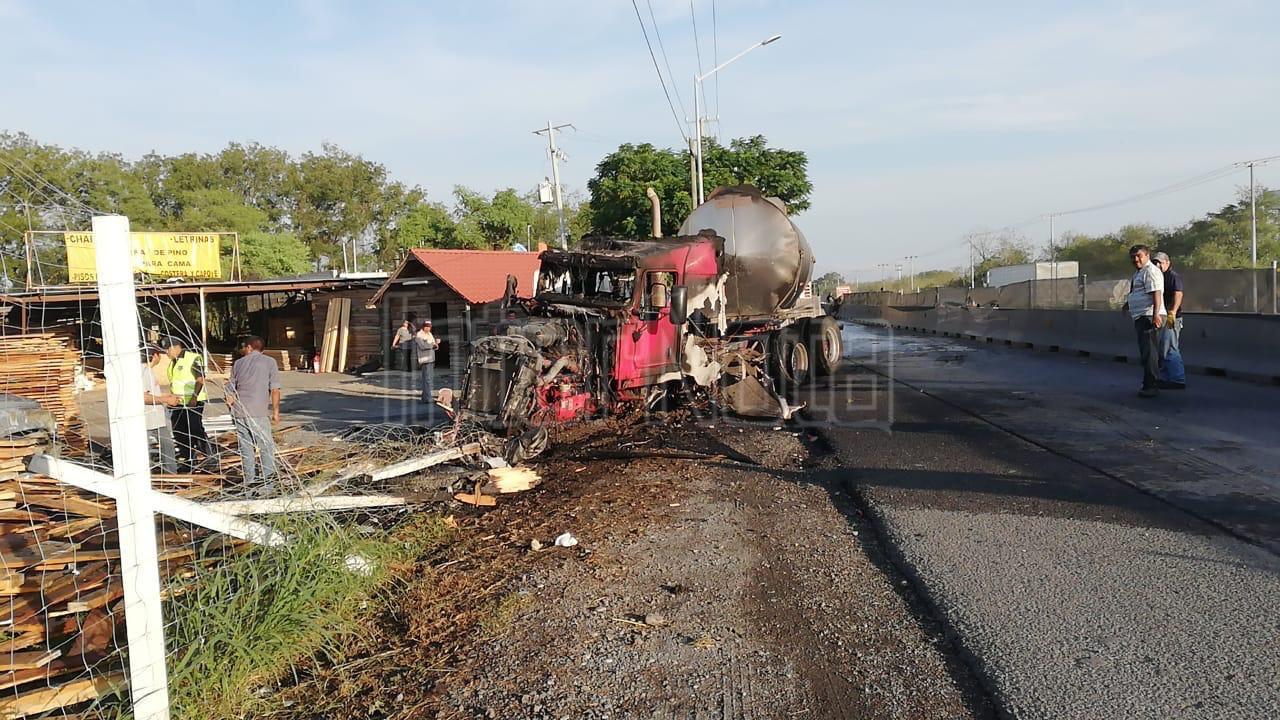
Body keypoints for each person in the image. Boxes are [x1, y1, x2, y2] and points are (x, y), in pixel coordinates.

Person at [225, 335, 282, 486]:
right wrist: (276, 412)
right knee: (266, 447)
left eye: (244, 347)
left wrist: (231, 407)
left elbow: (229, 392)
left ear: (249, 347)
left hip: (239, 411)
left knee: (246, 449)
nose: (243, 350)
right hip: (258, 412)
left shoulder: (238, 364)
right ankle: (268, 484)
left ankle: (250, 483)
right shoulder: (270, 362)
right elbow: (275, 389)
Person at [165, 337, 217, 471]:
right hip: (178, 403)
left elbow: (200, 379)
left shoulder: (193, 358)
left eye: (167, 349)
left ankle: (209, 456)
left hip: (193, 402)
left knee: (195, 430)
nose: (166, 352)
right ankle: (187, 460)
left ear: (176, 347)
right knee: (179, 432)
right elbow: (174, 383)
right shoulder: (173, 363)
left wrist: (194, 397)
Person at [1124, 245, 1166, 398]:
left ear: (1147, 255)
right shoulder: (1139, 273)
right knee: (1146, 352)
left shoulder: (1150, 271)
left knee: (1150, 353)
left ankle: (1151, 385)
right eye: (1133, 257)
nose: (1136, 259)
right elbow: (1138, 292)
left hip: (1149, 316)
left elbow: (1156, 293)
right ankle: (1148, 382)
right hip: (1141, 316)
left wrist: (1155, 315)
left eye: (1139, 256)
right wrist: (1128, 304)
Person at [142, 346, 179, 474]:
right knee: (144, 451)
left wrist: (167, 396)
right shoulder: (143, 372)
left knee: (167, 446)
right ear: (155, 356)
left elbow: (153, 393)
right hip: (147, 419)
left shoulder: (149, 371)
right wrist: (166, 400)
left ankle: (171, 475)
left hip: (158, 419)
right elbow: (143, 397)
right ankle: (147, 476)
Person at [1153, 251, 1186, 389]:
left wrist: (1172, 311)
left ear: (1167, 263)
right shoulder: (1158, 277)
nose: (1157, 265)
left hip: (1171, 318)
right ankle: (1167, 378)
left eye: (1160, 262)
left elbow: (1178, 294)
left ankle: (1177, 379)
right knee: (1163, 349)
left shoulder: (1172, 277)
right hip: (1163, 317)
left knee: (1170, 348)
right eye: (1155, 262)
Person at [414, 320, 440, 404]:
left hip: (431, 358)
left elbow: (434, 345)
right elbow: (422, 346)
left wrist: (436, 344)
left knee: (428, 379)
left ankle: (424, 397)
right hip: (425, 360)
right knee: (427, 379)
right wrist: (433, 345)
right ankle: (428, 398)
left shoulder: (429, 334)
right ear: (423, 326)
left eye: (429, 326)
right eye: (427, 326)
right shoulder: (419, 335)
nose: (428, 328)